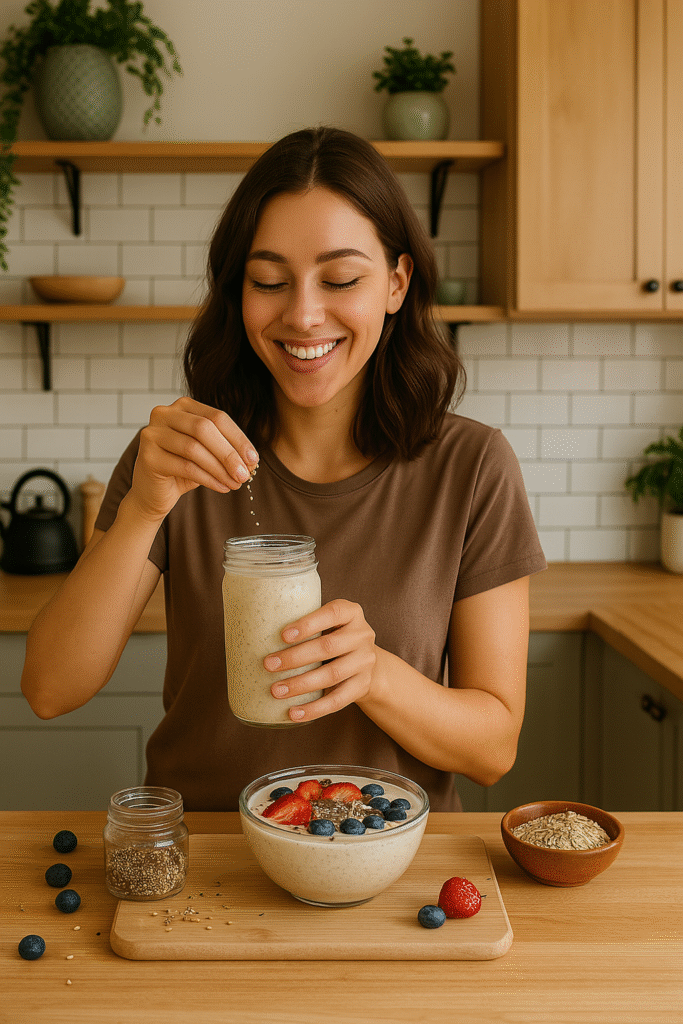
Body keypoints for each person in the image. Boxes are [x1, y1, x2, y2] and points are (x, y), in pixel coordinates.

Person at [21, 126, 546, 812]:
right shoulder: (180, 459)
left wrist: (374, 674)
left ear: (394, 282)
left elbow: (492, 749)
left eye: (340, 279)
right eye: (269, 280)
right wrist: (145, 509)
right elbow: (50, 689)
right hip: (206, 859)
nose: (302, 314)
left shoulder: (471, 467)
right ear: (237, 290)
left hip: (385, 866)